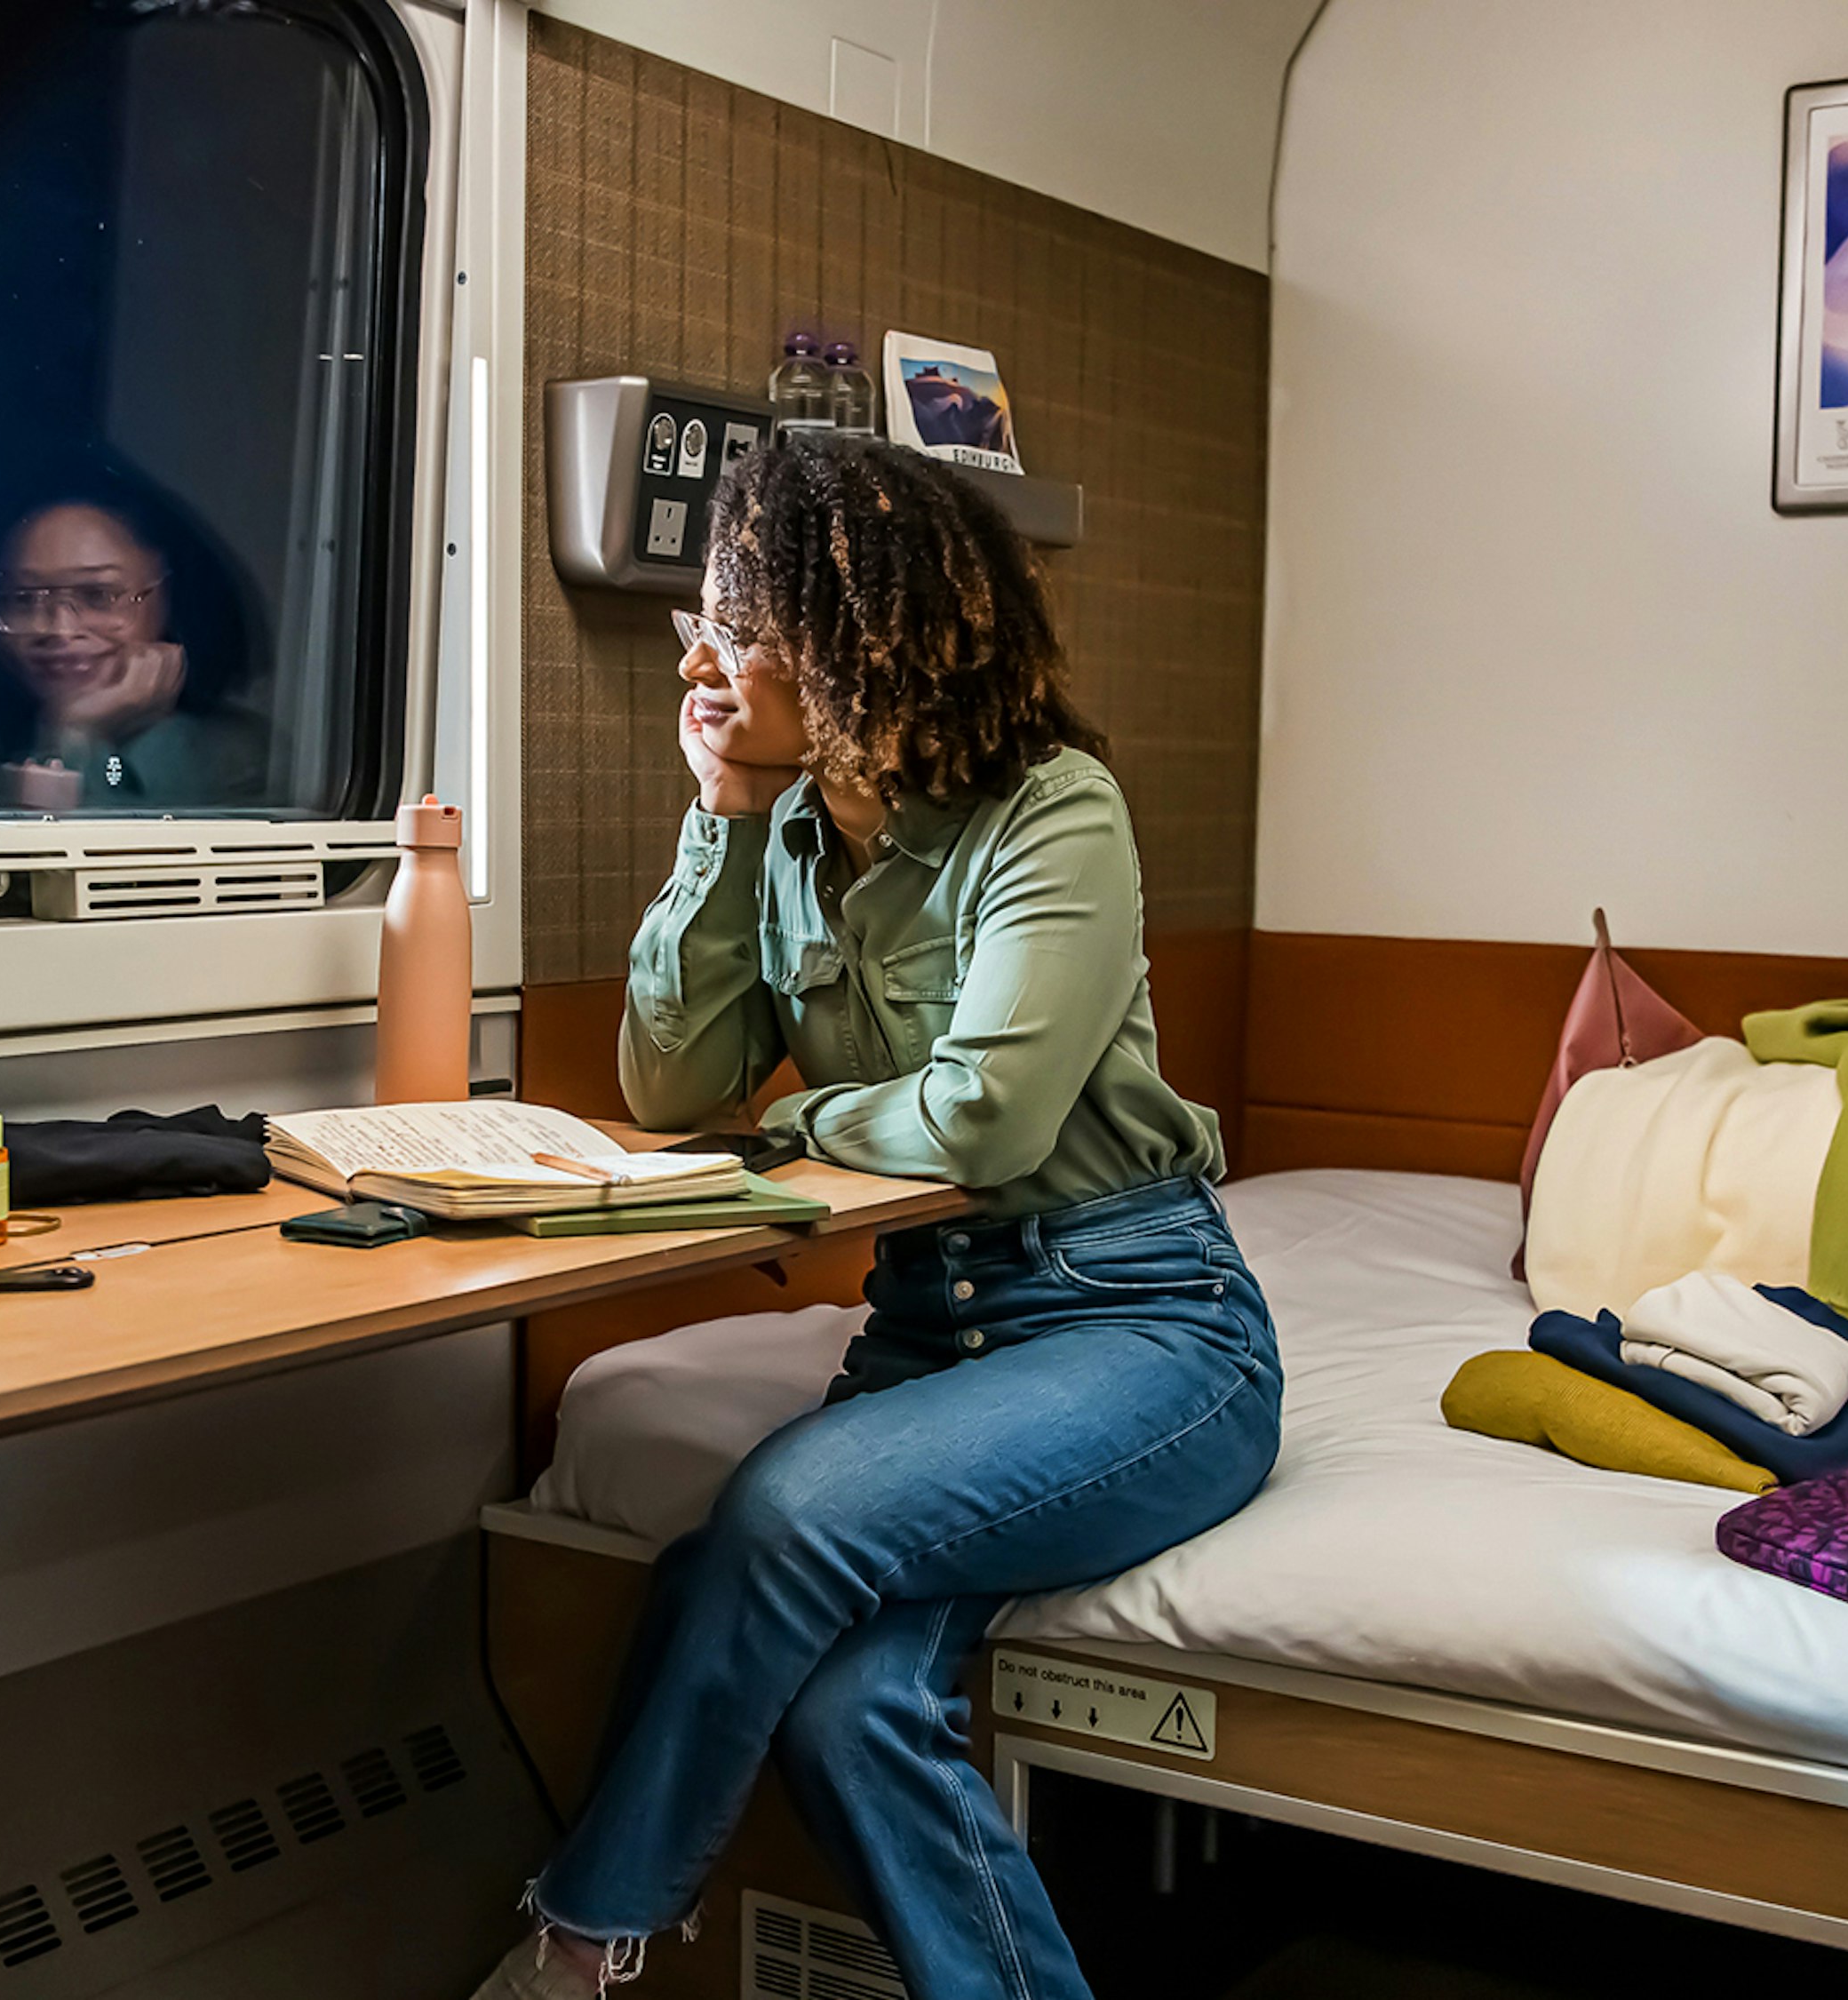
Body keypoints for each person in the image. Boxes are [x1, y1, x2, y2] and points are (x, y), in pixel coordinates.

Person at [474, 435, 1280, 2000]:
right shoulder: (775, 829)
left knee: (775, 1513)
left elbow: (988, 1117)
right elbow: (674, 1076)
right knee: (847, 1706)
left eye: (742, 626)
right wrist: (715, 817)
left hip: (1140, 1319)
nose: (703, 661)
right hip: (930, 1337)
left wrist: (795, 1117)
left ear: (853, 647)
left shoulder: (1054, 807)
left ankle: (577, 1946)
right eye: (697, 622)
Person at [0, 479, 272, 814]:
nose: (61, 630)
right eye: (23, 600)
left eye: (99, 595)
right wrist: (66, 740)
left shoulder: (238, 760)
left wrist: (74, 740)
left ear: (169, 597)